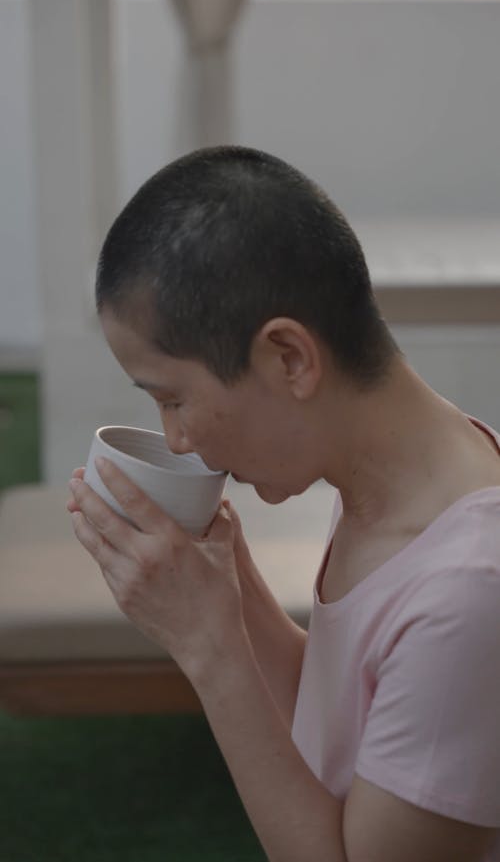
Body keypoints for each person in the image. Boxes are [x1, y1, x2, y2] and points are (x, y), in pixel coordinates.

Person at [67, 146, 500, 862]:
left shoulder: (468, 590)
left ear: (289, 359)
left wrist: (209, 648)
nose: (175, 436)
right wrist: (226, 576)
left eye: (174, 398)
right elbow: (345, 711)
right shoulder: (390, 480)